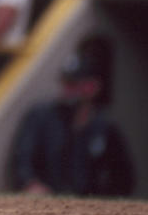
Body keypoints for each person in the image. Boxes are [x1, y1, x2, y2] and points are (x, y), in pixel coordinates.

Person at [11, 38, 135, 196]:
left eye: (74, 84)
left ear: (93, 87)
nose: (67, 91)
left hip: (89, 208)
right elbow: (23, 159)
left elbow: (124, 178)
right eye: (66, 83)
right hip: (48, 200)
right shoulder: (41, 116)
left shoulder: (105, 127)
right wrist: (31, 184)